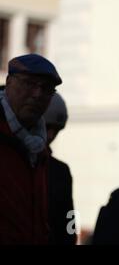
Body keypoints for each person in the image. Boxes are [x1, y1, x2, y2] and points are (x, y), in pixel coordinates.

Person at [0, 54, 62, 244]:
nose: (37, 94)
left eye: (46, 89)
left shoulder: (37, 149)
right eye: (29, 83)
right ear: (9, 82)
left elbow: (67, 219)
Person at [44, 92, 77, 245]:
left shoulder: (61, 171)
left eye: (56, 130)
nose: (50, 135)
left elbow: (69, 219)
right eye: (47, 127)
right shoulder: (60, 171)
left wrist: (71, 238)